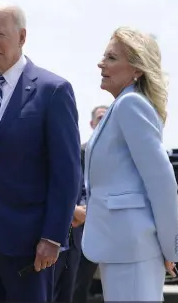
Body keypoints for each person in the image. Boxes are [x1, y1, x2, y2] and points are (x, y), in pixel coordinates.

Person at [0, 2, 81, 302]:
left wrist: (53, 237)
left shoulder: (52, 90)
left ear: (22, 36)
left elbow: (67, 173)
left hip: (29, 242)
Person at [82, 27, 178, 301]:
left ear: (137, 69)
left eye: (112, 58)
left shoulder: (130, 105)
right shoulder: (120, 107)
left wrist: (170, 247)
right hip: (120, 247)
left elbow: (162, 183)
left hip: (132, 249)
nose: (101, 63)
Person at [72, 105, 108, 303]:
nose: (103, 122)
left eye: (107, 117)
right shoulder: (80, 152)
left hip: (113, 226)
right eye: (100, 118)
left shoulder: (123, 152)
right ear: (91, 123)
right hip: (83, 226)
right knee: (78, 283)